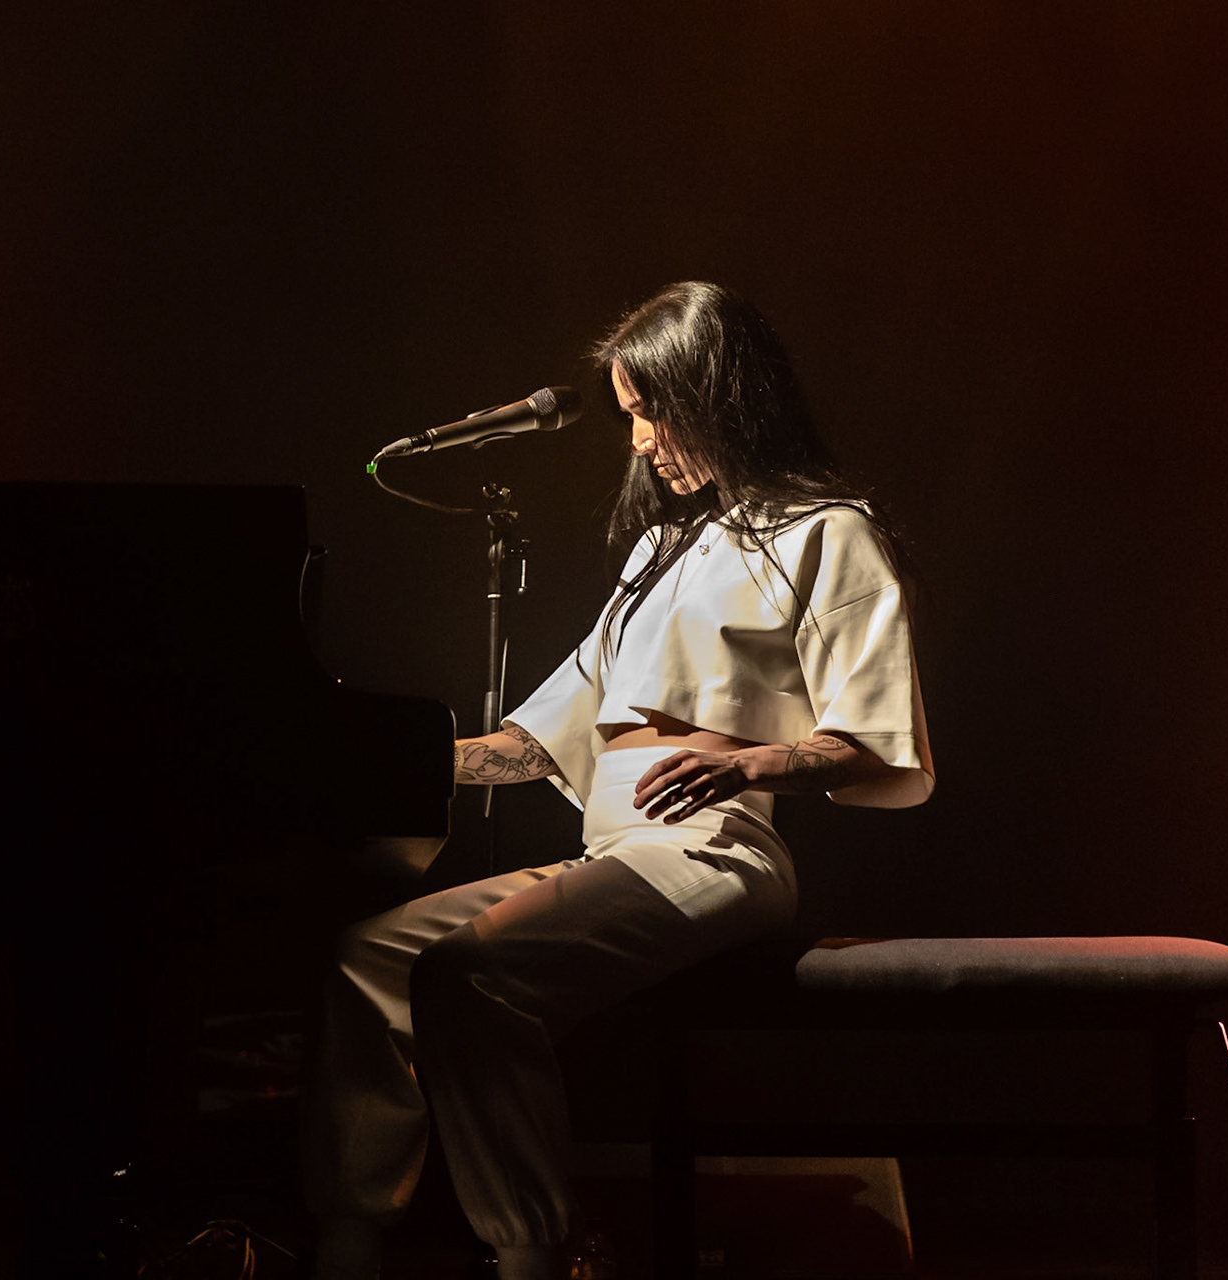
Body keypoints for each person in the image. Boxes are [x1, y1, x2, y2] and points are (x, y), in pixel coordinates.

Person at [300, 282, 934, 1280]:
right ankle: (348, 1236)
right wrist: (368, 759)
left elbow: (874, 738)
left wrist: (749, 760)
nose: (638, 442)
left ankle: (532, 1253)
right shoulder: (658, 551)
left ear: (718, 393)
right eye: (630, 415)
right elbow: (534, 743)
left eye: (651, 411)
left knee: (470, 977)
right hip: (614, 855)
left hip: (719, 852)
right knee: (371, 954)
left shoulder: (828, 530)